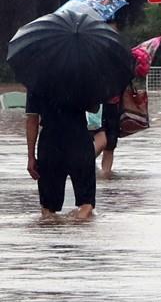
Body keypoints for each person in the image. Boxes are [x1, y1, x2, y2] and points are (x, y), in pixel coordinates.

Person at [26, 91, 97, 219]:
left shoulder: (36, 81)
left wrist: (31, 156)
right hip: (79, 140)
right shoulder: (83, 78)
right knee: (86, 204)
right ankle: (81, 234)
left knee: (48, 210)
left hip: (50, 143)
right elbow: (94, 108)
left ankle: (53, 235)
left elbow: (32, 120)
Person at [92, 21, 122, 175]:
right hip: (97, 105)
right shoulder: (93, 53)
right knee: (102, 140)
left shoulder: (118, 53)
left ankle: (105, 177)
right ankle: (82, 164)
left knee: (110, 144)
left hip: (113, 104)